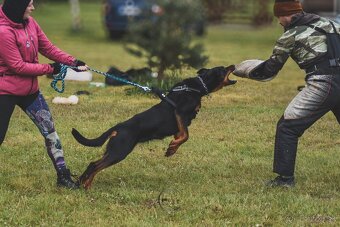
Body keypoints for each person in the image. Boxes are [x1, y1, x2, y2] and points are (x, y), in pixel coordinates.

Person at [233, 0, 340, 187]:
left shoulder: (289, 36)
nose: (278, 22)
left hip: (324, 84)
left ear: (286, 15)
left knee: (287, 126)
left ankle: (284, 180)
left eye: (279, 17)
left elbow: (269, 71)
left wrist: (243, 70)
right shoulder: (329, 23)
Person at [0, 0, 87, 189]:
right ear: (17, 7)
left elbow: (48, 47)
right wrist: (50, 69)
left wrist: (73, 62)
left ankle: (63, 177)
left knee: (50, 131)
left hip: (30, 91)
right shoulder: (3, 32)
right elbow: (17, 66)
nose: (32, 8)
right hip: (4, 92)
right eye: (29, 4)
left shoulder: (30, 22)